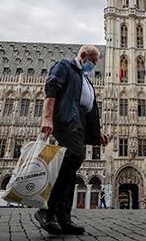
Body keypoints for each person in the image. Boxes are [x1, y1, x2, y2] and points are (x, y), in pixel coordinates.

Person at [34, 45, 110, 235]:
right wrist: (47, 117)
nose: (94, 64)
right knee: (74, 157)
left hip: (79, 125)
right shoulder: (65, 66)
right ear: (83, 55)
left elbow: (89, 108)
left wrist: (96, 134)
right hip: (66, 121)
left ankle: (63, 218)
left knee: (70, 172)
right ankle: (46, 210)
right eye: (93, 61)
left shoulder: (85, 79)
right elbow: (51, 89)